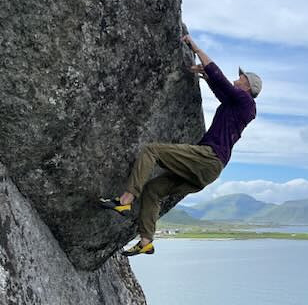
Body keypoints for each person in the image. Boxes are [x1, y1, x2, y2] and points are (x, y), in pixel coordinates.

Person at [100, 34, 262, 256]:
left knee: (152, 150)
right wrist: (206, 77)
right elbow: (221, 89)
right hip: (207, 171)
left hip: (208, 159)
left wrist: (196, 48)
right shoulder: (238, 105)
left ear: (248, 86)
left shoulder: (246, 102)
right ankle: (146, 241)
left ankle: (125, 199)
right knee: (153, 190)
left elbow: (222, 81)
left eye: (241, 78)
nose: (237, 78)